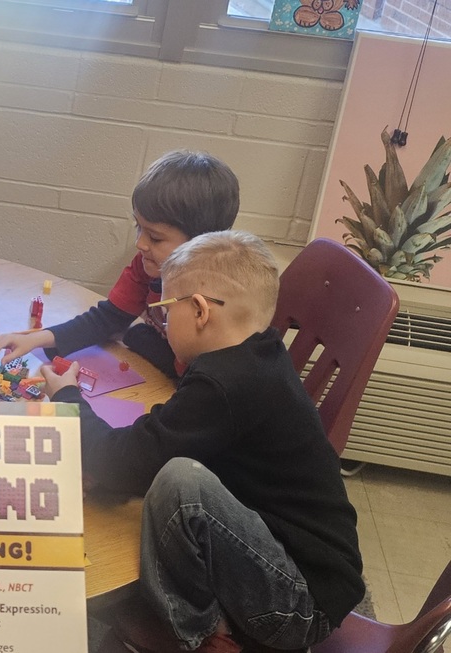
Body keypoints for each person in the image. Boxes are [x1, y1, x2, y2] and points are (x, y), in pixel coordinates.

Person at [43, 232, 364, 651]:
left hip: (297, 604)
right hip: (298, 566)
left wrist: (67, 399)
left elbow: (125, 460)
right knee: (166, 471)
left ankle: (200, 633)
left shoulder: (224, 384)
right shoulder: (256, 354)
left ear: (198, 310)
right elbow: (156, 449)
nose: (159, 321)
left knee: (181, 482)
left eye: (163, 310)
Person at [0, 150, 239, 379]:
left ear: (200, 243)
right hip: (172, 360)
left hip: (193, 379)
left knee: (134, 335)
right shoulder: (147, 264)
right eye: (139, 227)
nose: (140, 243)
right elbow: (107, 318)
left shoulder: (211, 301)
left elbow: (192, 377)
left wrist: (132, 335)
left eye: (156, 237)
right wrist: (34, 339)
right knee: (128, 331)